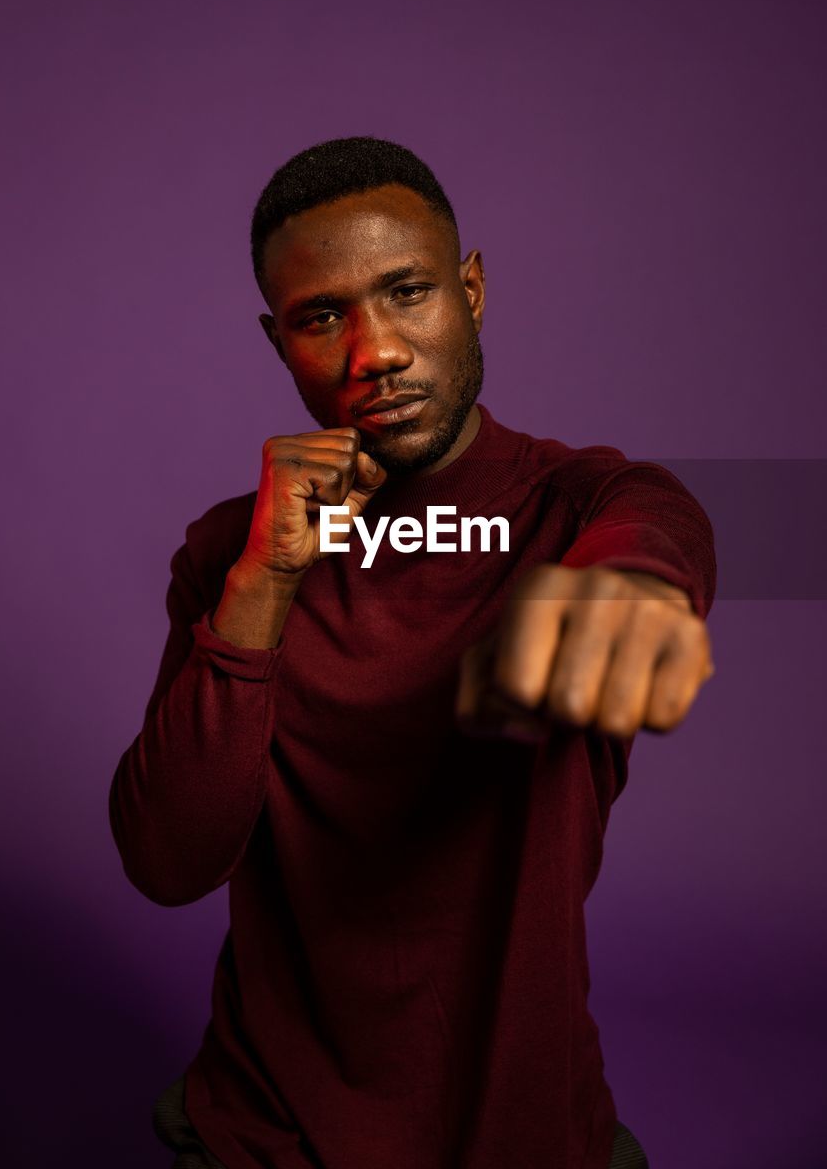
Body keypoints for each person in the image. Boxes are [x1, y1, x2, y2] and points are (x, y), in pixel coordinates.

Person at [109, 136, 716, 1169]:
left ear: (470, 289)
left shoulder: (584, 506)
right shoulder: (232, 548)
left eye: (406, 292)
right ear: (278, 342)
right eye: (321, 316)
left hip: (523, 1129)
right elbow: (169, 860)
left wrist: (625, 596)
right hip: (265, 1132)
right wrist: (263, 584)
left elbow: (653, 533)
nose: (374, 350)